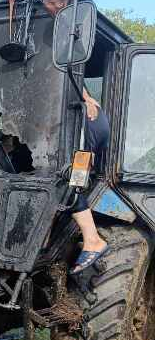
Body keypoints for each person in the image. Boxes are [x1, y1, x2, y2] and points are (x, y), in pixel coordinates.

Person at [69, 88, 110, 274]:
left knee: (70, 187)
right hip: (88, 130)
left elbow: (69, 66)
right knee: (72, 183)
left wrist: (85, 98)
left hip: (87, 129)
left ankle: (93, 240)